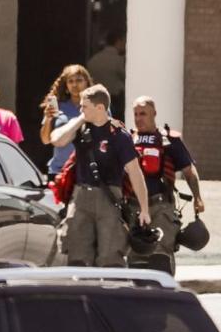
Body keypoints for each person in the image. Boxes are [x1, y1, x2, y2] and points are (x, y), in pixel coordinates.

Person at [49, 85, 150, 267]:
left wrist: (145, 209)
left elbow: (135, 172)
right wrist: (81, 118)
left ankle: (109, 292)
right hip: (81, 197)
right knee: (78, 254)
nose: (81, 110)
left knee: (110, 256)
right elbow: (57, 139)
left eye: (84, 107)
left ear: (100, 108)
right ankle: (82, 292)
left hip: (109, 199)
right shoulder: (80, 129)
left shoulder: (119, 136)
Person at [123, 96, 206, 274]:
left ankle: (164, 297)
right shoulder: (127, 140)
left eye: (143, 113)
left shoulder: (169, 140)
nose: (138, 118)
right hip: (133, 207)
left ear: (154, 113)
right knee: (136, 255)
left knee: (160, 254)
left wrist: (197, 198)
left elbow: (189, 172)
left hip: (162, 206)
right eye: (135, 114)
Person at [40, 65, 93, 180]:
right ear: (66, 86)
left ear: (87, 83)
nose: (75, 85)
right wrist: (48, 119)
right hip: (59, 171)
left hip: (87, 170)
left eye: (79, 80)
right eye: (70, 81)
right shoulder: (58, 106)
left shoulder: (97, 106)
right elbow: (45, 140)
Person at [87, 32, 126, 115]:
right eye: (124, 41)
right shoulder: (118, 60)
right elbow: (127, 79)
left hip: (96, 101)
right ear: (118, 41)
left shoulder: (93, 60)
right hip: (116, 102)